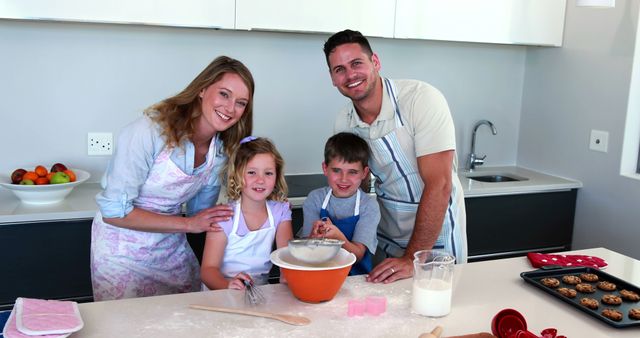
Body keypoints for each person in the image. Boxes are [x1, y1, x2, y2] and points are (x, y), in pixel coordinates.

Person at [91, 56, 255, 301]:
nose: (231, 108)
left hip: (170, 251)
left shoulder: (219, 150)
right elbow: (114, 212)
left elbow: (201, 213)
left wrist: (255, 213)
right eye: (224, 94)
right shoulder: (147, 132)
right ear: (202, 89)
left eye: (241, 103)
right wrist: (189, 224)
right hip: (121, 253)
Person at [323, 29, 467, 284]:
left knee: (436, 306)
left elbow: (440, 184)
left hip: (437, 233)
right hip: (387, 232)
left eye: (356, 63)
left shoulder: (420, 100)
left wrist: (412, 258)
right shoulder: (344, 121)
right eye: (339, 69)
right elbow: (356, 186)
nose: (350, 75)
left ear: (375, 62)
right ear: (333, 79)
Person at [200, 136, 293, 290]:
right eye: (251, 172)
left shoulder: (280, 211)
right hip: (221, 292)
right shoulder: (224, 217)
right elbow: (208, 271)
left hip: (260, 292)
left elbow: (286, 259)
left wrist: (289, 277)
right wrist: (228, 285)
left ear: (276, 177)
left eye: (268, 173)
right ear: (237, 175)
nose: (260, 180)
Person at [301, 132, 380, 275]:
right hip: (320, 275)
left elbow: (358, 255)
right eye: (337, 170)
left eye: (353, 172)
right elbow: (306, 250)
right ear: (325, 168)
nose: (344, 179)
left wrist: (339, 239)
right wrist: (313, 237)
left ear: (364, 173)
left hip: (356, 280)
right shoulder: (315, 199)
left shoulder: (368, 206)